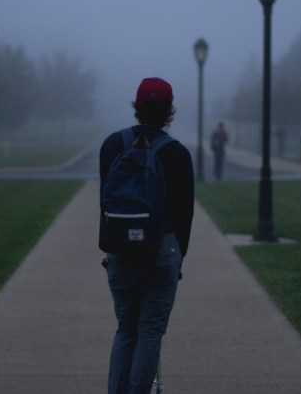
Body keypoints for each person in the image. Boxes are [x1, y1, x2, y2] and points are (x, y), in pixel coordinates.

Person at [100, 77, 194, 394]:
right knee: (150, 331)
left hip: (121, 251)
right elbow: (184, 215)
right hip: (162, 249)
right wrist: (179, 257)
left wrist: (111, 248)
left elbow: (106, 203)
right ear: (169, 111)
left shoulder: (112, 145)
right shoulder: (178, 154)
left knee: (126, 330)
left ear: (137, 107)